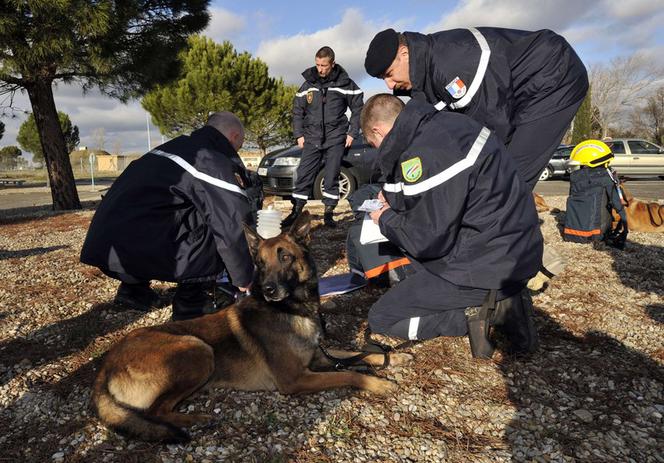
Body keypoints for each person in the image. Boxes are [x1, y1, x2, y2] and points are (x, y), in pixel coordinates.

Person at [364, 26, 587, 285]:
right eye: (383, 79)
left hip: (552, 80)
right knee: (483, 185)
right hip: (514, 94)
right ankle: (505, 255)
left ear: (404, 53)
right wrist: (393, 187)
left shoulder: (453, 65)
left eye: (389, 74)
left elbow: (487, 135)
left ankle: (524, 265)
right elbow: (420, 135)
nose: (389, 85)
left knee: (508, 178)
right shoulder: (422, 78)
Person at [361, 94, 543, 358]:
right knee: (412, 275)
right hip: (512, 252)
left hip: (483, 267)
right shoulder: (448, 128)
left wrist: (384, 218)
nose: (378, 150)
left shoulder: (424, 153)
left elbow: (428, 238)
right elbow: (441, 198)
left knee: (382, 317)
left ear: (377, 130)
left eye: (373, 143)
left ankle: (482, 315)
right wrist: (391, 199)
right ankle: (505, 298)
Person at [80, 112, 256, 321]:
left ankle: (134, 290)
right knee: (212, 224)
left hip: (107, 248)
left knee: (168, 213)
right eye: (240, 144)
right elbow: (232, 221)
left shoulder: (170, 150)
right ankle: (193, 302)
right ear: (235, 136)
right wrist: (244, 277)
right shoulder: (210, 159)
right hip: (135, 250)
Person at [283, 46, 364, 228]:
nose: (320, 69)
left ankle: (329, 214)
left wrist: (352, 132)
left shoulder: (346, 84)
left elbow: (358, 109)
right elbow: (297, 111)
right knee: (303, 174)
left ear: (332, 64)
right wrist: (299, 134)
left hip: (336, 137)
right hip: (312, 138)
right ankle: (296, 213)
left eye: (324, 65)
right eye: (318, 64)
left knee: (331, 176)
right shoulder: (307, 85)